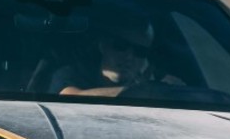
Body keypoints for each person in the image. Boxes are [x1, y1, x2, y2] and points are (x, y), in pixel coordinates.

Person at [50, 15, 180, 97]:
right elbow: (72, 96)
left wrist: (175, 90)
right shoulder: (71, 74)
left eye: (140, 51)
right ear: (103, 46)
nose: (129, 57)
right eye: (121, 46)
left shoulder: (154, 87)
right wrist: (138, 92)